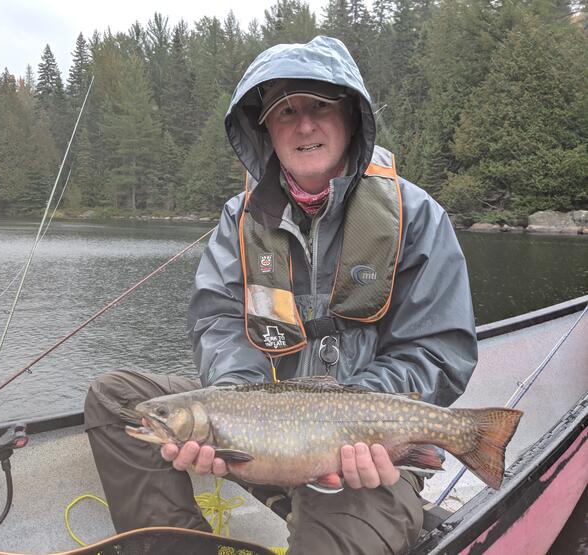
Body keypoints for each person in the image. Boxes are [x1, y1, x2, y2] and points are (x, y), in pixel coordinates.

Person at [84, 35, 477, 554]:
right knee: (117, 399)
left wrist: (360, 415)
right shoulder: (239, 218)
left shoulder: (418, 216)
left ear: (352, 117)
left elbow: (438, 350)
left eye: (320, 106)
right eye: (285, 111)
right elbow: (219, 323)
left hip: (366, 456)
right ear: (264, 128)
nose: (304, 124)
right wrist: (231, 403)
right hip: (259, 435)